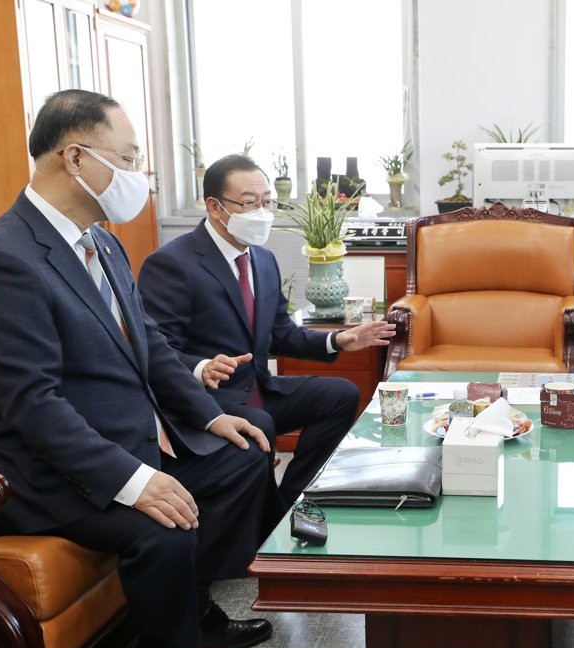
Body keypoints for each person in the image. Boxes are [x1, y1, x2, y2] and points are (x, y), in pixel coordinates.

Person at [0, 90, 275, 648]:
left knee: (243, 454)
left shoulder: (99, 240)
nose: (137, 176)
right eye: (127, 160)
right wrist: (136, 482)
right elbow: (34, 404)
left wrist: (208, 416)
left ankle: (190, 609)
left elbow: (149, 343)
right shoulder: (4, 260)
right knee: (165, 529)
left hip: (123, 441)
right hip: (43, 470)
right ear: (75, 158)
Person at [138, 154, 395, 508]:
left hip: (259, 386)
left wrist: (338, 340)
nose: (261, 211)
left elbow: (280, 333)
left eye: (267, 202)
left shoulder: (262, 259)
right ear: (215, 206)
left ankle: (293, 497)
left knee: (341, 394)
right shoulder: (172, 263)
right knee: (259, 423)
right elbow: (156, 349)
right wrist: (201, 367)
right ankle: (265, 515)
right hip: (210, 399)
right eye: (248, 203)